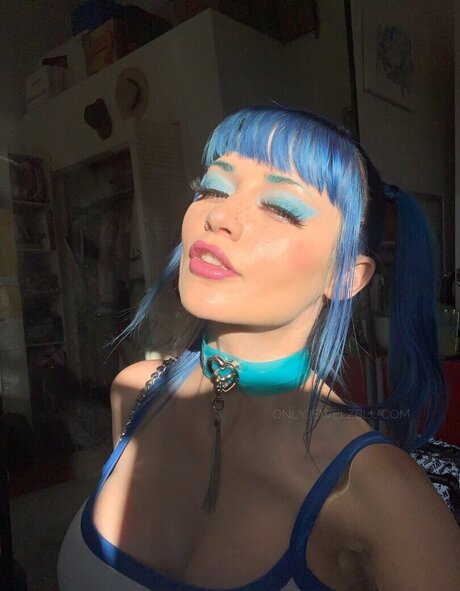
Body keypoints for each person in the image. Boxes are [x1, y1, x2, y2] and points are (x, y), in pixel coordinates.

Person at [58, 106, 460, 590]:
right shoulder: (135, 393)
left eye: (281, 208)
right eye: (212, 188)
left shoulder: (383, 497)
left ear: (346, 276)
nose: (218, 216)